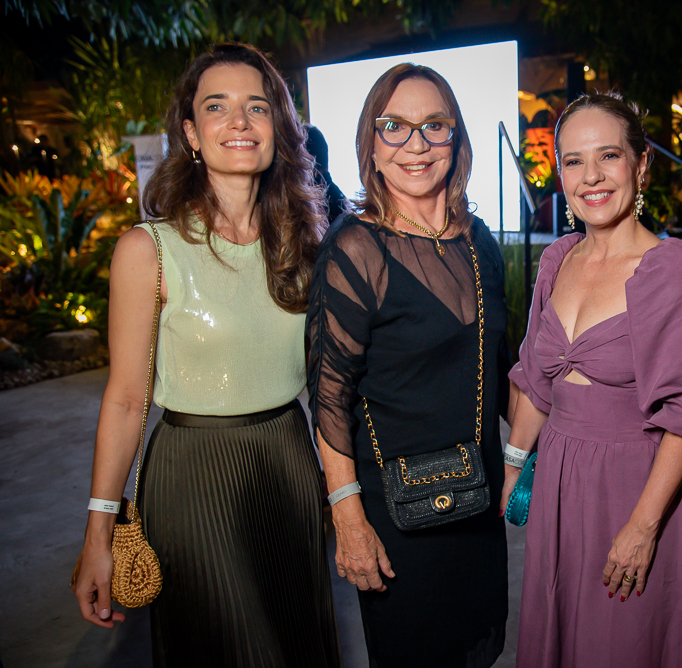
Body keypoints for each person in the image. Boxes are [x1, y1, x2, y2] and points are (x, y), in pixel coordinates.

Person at [72, 43, 340, 667]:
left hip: (288, 466)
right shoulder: (149, 250)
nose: (239, 122)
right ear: (191, 133)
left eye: (256, 107)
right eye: (216, 107)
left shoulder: (306, 244)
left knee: (298, 644)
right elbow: (125, 398)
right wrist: (100, 531)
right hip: (192, 478)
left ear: (279, 127)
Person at [501, 92, 682, 668]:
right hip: (557, 476)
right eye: (574, 161)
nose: (591, 177)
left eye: (608, 156)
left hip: (632, 486)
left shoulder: (670, 267)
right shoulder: (557, 259)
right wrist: (513, 469)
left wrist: (643, 525)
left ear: (642, 164)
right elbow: (537, 380)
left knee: (621, 644)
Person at [307, 63, 509, 668]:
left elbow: (505, 370)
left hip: (477, 504)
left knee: (479, 650)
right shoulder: (354, 248)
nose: (416, 145)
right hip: (396, 516)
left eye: (434, 126)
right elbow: (329, 396)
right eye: (394, 126)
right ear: (371, 140)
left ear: (457, 139)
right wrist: (347, 517)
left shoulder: (481, 242)